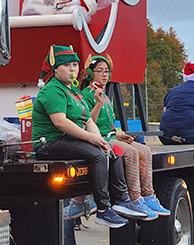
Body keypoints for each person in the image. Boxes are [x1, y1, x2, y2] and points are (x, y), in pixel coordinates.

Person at [31, 45, 146, 228]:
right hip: (50, 142)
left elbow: (88, 120)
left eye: (74, 65)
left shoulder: (74, 90)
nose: (72, 69)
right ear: (56, 69)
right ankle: (103, 209)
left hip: (68, 139)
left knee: (111, 151)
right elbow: (60, 122)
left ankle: (122, 201)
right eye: (67, 65)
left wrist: (101, 140)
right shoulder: (52, 90)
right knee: (97, 155)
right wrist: (90, 138)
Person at [73, 54, 171, 220]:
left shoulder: (105, 96)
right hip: (98, 139)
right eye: (99, 71)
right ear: (90, 73)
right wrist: (98, 103)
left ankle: (148, 196)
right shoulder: (85, 95)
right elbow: (88, 123)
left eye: (107, 71)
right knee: (131, 153)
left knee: (145, 151)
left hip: (111, 137)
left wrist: (119, 133)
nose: (104, 75)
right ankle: (133, 199)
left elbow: (110, 124)